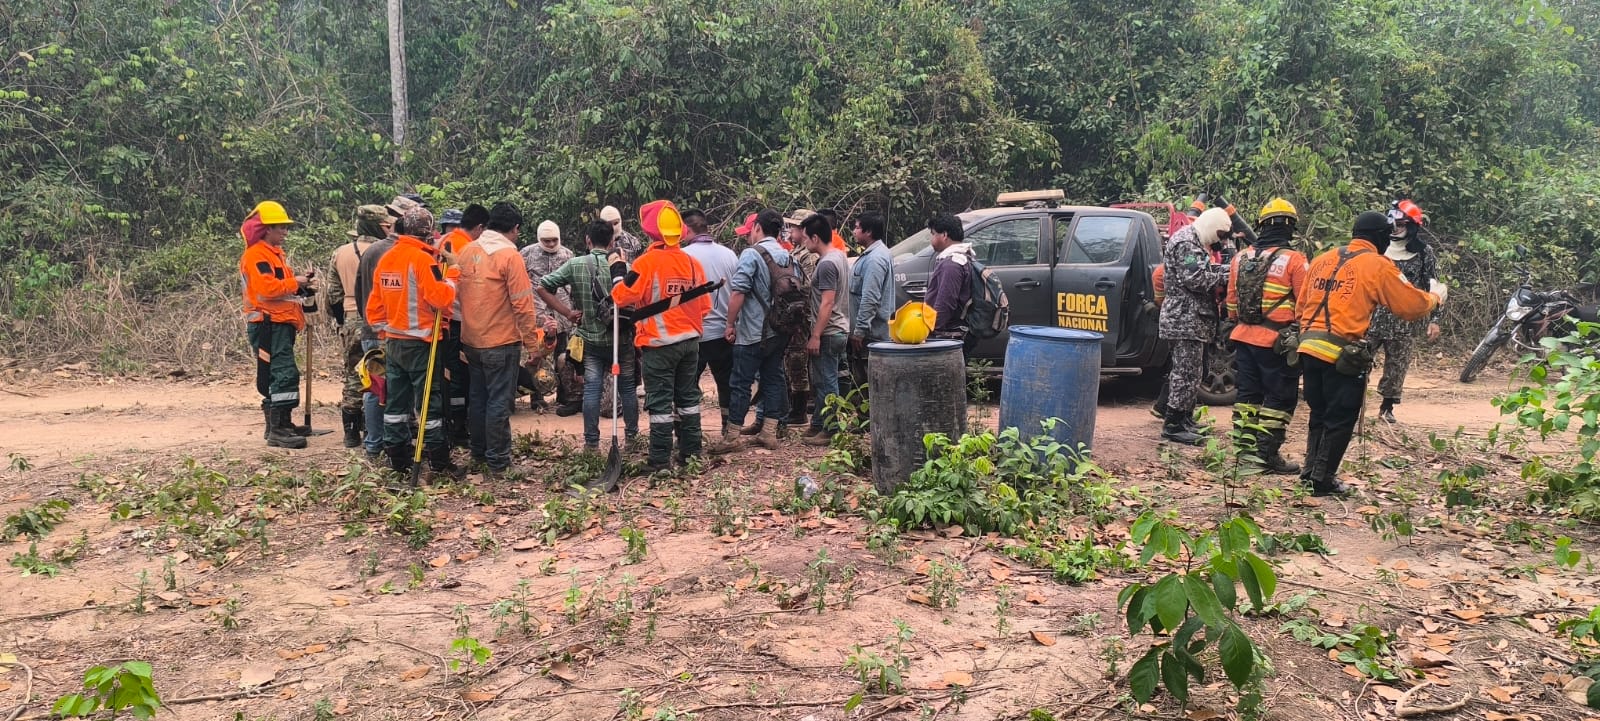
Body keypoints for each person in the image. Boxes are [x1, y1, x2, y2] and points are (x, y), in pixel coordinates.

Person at [1296, 211, 1445, 497]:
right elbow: (1410, 305)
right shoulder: (1377, 265)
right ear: (1379, 237)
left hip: (1308, 348)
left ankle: (1309, 473)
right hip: (1342, 353)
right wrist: (1436, 297)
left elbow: (1301, 306)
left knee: (1319, 412)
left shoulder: (1322, 259)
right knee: (1340, 417)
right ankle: (1321, 480)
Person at [611, 200, 710, 470]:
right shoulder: (692, 263)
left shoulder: (645, 264)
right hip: (690, 344)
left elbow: (620, 297)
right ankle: (691, 454)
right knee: (688, 399)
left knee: (660, 404)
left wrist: (617, 271)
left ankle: (659, 460)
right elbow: (704, 307)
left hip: (659, 346)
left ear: (649, 232)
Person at [365, 206, 459, 478]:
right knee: (430, 402)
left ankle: (398, 460)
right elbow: (441, 299)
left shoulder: (387, 258)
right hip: (423, 344)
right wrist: (453, 274)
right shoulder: (422, 261)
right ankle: (439, 462)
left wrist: (389, 332)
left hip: (394, 343)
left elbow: (374, 309)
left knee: (396, 403)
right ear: (428, 233)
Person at [456, 202, 546, 477]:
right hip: (500, 341)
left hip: (471, 340)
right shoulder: (510, 256)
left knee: (478, 398)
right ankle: (498, 462)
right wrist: (533, 345)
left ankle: (479, 453)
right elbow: (522, 304)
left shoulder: (466, 251)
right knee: (499, 401)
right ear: (515, 228)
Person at [537, 220, 642, 452]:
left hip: (591, 340)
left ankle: (591, 443)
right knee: (627, 388)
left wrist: (567, 312)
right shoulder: (625, 266)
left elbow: (542, 286)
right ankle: (632, 438)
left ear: (587, 240)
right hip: (621, 338)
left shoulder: (575, 264)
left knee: (592, 388)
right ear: (613, 241)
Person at [1224, 198, 1310, 474]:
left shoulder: (1241, 258)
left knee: (1247, 394)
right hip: (1277, 343)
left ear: (1261, 225)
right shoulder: (1295, 260)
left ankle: (1244, 451)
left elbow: (1232, 302)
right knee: (1279, 397)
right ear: (1290, 227)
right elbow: (1305, 303)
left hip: (1244, 337)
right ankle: (1266, 454)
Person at [712, 210, 792, 453]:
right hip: (780, 330)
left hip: (753, 332)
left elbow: (738, 292)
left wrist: (729, 324)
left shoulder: (751, 254)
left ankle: (732, 436)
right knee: (773, 378)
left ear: (757, 227)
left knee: (740, 382)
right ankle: (769, 432)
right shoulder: (788, 255)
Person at [240, 200, 313, 449]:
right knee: (283, 373)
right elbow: (268, 289)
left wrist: (300, 284)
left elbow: (281, 287)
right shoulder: (256, 255)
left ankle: (280, 424)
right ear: (266, 229)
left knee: (277, 373)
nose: (285, 231)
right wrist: (297, 281)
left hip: (280, 322)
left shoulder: (273, 255)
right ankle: (278, 430)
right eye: (281, 227)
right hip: (268, 324)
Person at [1158, 207, 1233, 445]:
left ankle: (1184, 418)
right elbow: (1195, 279)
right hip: (1184, 319)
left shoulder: (1195, 241)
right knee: (1185, 372)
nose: (1219, 240)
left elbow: (1204, 270)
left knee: (1194, 371)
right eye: (1220, 234)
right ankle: (1173, 424)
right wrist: (1229, 275)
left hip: (1192, 319)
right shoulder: (1187, 243)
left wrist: (1228, 269)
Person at [1368, 200, 1442, 424]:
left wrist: (1435, 319)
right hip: (1373, 318)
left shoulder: (1423, 252)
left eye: (1402, 224)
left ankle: (1387, 406)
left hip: (1405, 321)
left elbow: (1433, 286)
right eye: (1394, 223)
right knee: (1358, 360)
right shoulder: (1379, 248)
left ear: (1412, 225)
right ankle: (1352, 401)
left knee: (1397, 365)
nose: (1396, 228)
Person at [325, 204, 387, 448]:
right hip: (378, 318)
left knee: (353, 373)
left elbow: (333, 294)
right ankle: (377, 429)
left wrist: (341, 320)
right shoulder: (384, 251)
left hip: (351, 317)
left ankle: (351, 432)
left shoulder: (340, 252)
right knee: (378, 373)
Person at [680, 208, 739, 434]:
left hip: (693, 333)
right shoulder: (729, 254)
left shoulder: (684, 257)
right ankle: (728, 428)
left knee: (688, 385)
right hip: (724, 332)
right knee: (726, 383)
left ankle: (690, 432)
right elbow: (737, 292)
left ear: (687, 229)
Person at [438, 204, 488, 448]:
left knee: (450, 373)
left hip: (442, 318)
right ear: (479, 227)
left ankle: (452, 423)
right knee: (460, 375)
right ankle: (459, 428)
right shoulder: (468, 248)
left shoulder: (444, 240)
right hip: (458, 318)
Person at [799, 214, 850, 445]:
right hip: (838, 328)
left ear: (815, 237)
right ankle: (819, 424)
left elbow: (827, 302)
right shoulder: (839, 256)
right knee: (823, 379)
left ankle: (831, 429)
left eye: (806, 238)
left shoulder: (828, 263)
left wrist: (816, 335)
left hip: (829, 331)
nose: (804, 242)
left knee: (827, 381)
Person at [522, 220, 580, 416]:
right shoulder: (527, 253)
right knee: (537, 356)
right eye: (545, 241)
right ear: (539, 239)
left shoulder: (567, 254)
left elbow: (573, 283)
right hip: (537, 310)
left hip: (562, 310)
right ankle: (537, 397)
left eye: (553, 240)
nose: (550, 244)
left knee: (563, 355)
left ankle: (564, 395)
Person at [779, 209, 819, 428]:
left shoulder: (808, 256)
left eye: (793, 227)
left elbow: (809, 288)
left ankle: (799, 410)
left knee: (797, 360)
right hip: (793, 315)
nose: (790, 231)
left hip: (801, 315)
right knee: (792, 359)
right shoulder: (796, 252)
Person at [848, 212, 894, 391]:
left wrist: (859, 331)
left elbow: (870, 298)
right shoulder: (873, 254)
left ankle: (869, 418)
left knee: (869, 385)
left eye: (857, 227)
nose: (853, 231)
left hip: (870, 334)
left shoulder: (875, 259)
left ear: (869, 232)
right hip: (868, 333)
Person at [923, 213, 977, 355]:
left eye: (933, 234)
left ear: (944, 235)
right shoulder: (962, 257)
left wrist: (931, 331)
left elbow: (946, 303)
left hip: (950, 334)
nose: (931, 239)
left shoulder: (952, 264)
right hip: (953, 333)